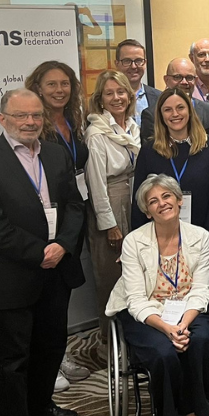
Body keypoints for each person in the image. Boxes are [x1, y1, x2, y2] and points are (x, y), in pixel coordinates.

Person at [0, 89, 87, 416]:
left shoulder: (56, 153)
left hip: (57, 269)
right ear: (3, 119)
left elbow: (74, 205)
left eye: (36, 115)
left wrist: (62, 245)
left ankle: (40, 406)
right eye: (21, 116)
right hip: (13, 274)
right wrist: (39, 252)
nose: (30, 122)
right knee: (12, 358)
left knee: (51, 345)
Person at [105, 174, 209, 416]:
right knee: (163, 352)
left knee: (201, 340)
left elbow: (201, 290)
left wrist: (183, 325)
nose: (162, 203)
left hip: (187, 308)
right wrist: (167, 328)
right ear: (147, 211)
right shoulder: (134, 242)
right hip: (147, 312)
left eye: (167, 196)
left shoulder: (200, 237)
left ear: (179, 201)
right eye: (153, 201)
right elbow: (136, 300)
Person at [25, 61, 91, 389]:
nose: (59, 90)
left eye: (64, 83)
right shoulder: (34, 125)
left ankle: (57, 354)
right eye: (51, 84)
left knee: (60, 294)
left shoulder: (74, 120)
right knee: (42, 295)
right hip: (45, 220)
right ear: (37, 88)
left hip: (73, 213)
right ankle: (44, 364)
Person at [132, 88, 209, 309]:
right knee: (171, 302)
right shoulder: (149, 151)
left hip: (208, 237)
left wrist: (206, 238)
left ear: (190, 111)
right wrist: (137, 244)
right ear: (161, 115)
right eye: (168, 109)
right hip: (163, 243)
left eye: (180, 107)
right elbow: (140, 201)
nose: (175, 114)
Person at [84, 70, 140, 349]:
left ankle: (135, 337)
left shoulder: (131, 127)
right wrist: (110, 225)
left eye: (121, 92)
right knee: (110, 276)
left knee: (136, 273)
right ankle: (110, 341)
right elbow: (96, 184)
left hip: (133, 201)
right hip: (110, 205)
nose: (116, 98)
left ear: (129, 95)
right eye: (109, 93)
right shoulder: (96, 133)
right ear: (100, 99)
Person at [140, 58, 209, 152]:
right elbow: (150, 152)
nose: (184, 82)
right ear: (166, 80)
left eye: (189, 77)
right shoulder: (151, 114)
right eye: (177, 77)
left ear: (195, 80)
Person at [113, 39, 154, 126]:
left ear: (145, 63)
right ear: (116, 64)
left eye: (138, 61)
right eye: (127, 61)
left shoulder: (158, 97)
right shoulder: (105, 100)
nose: (133, 66)